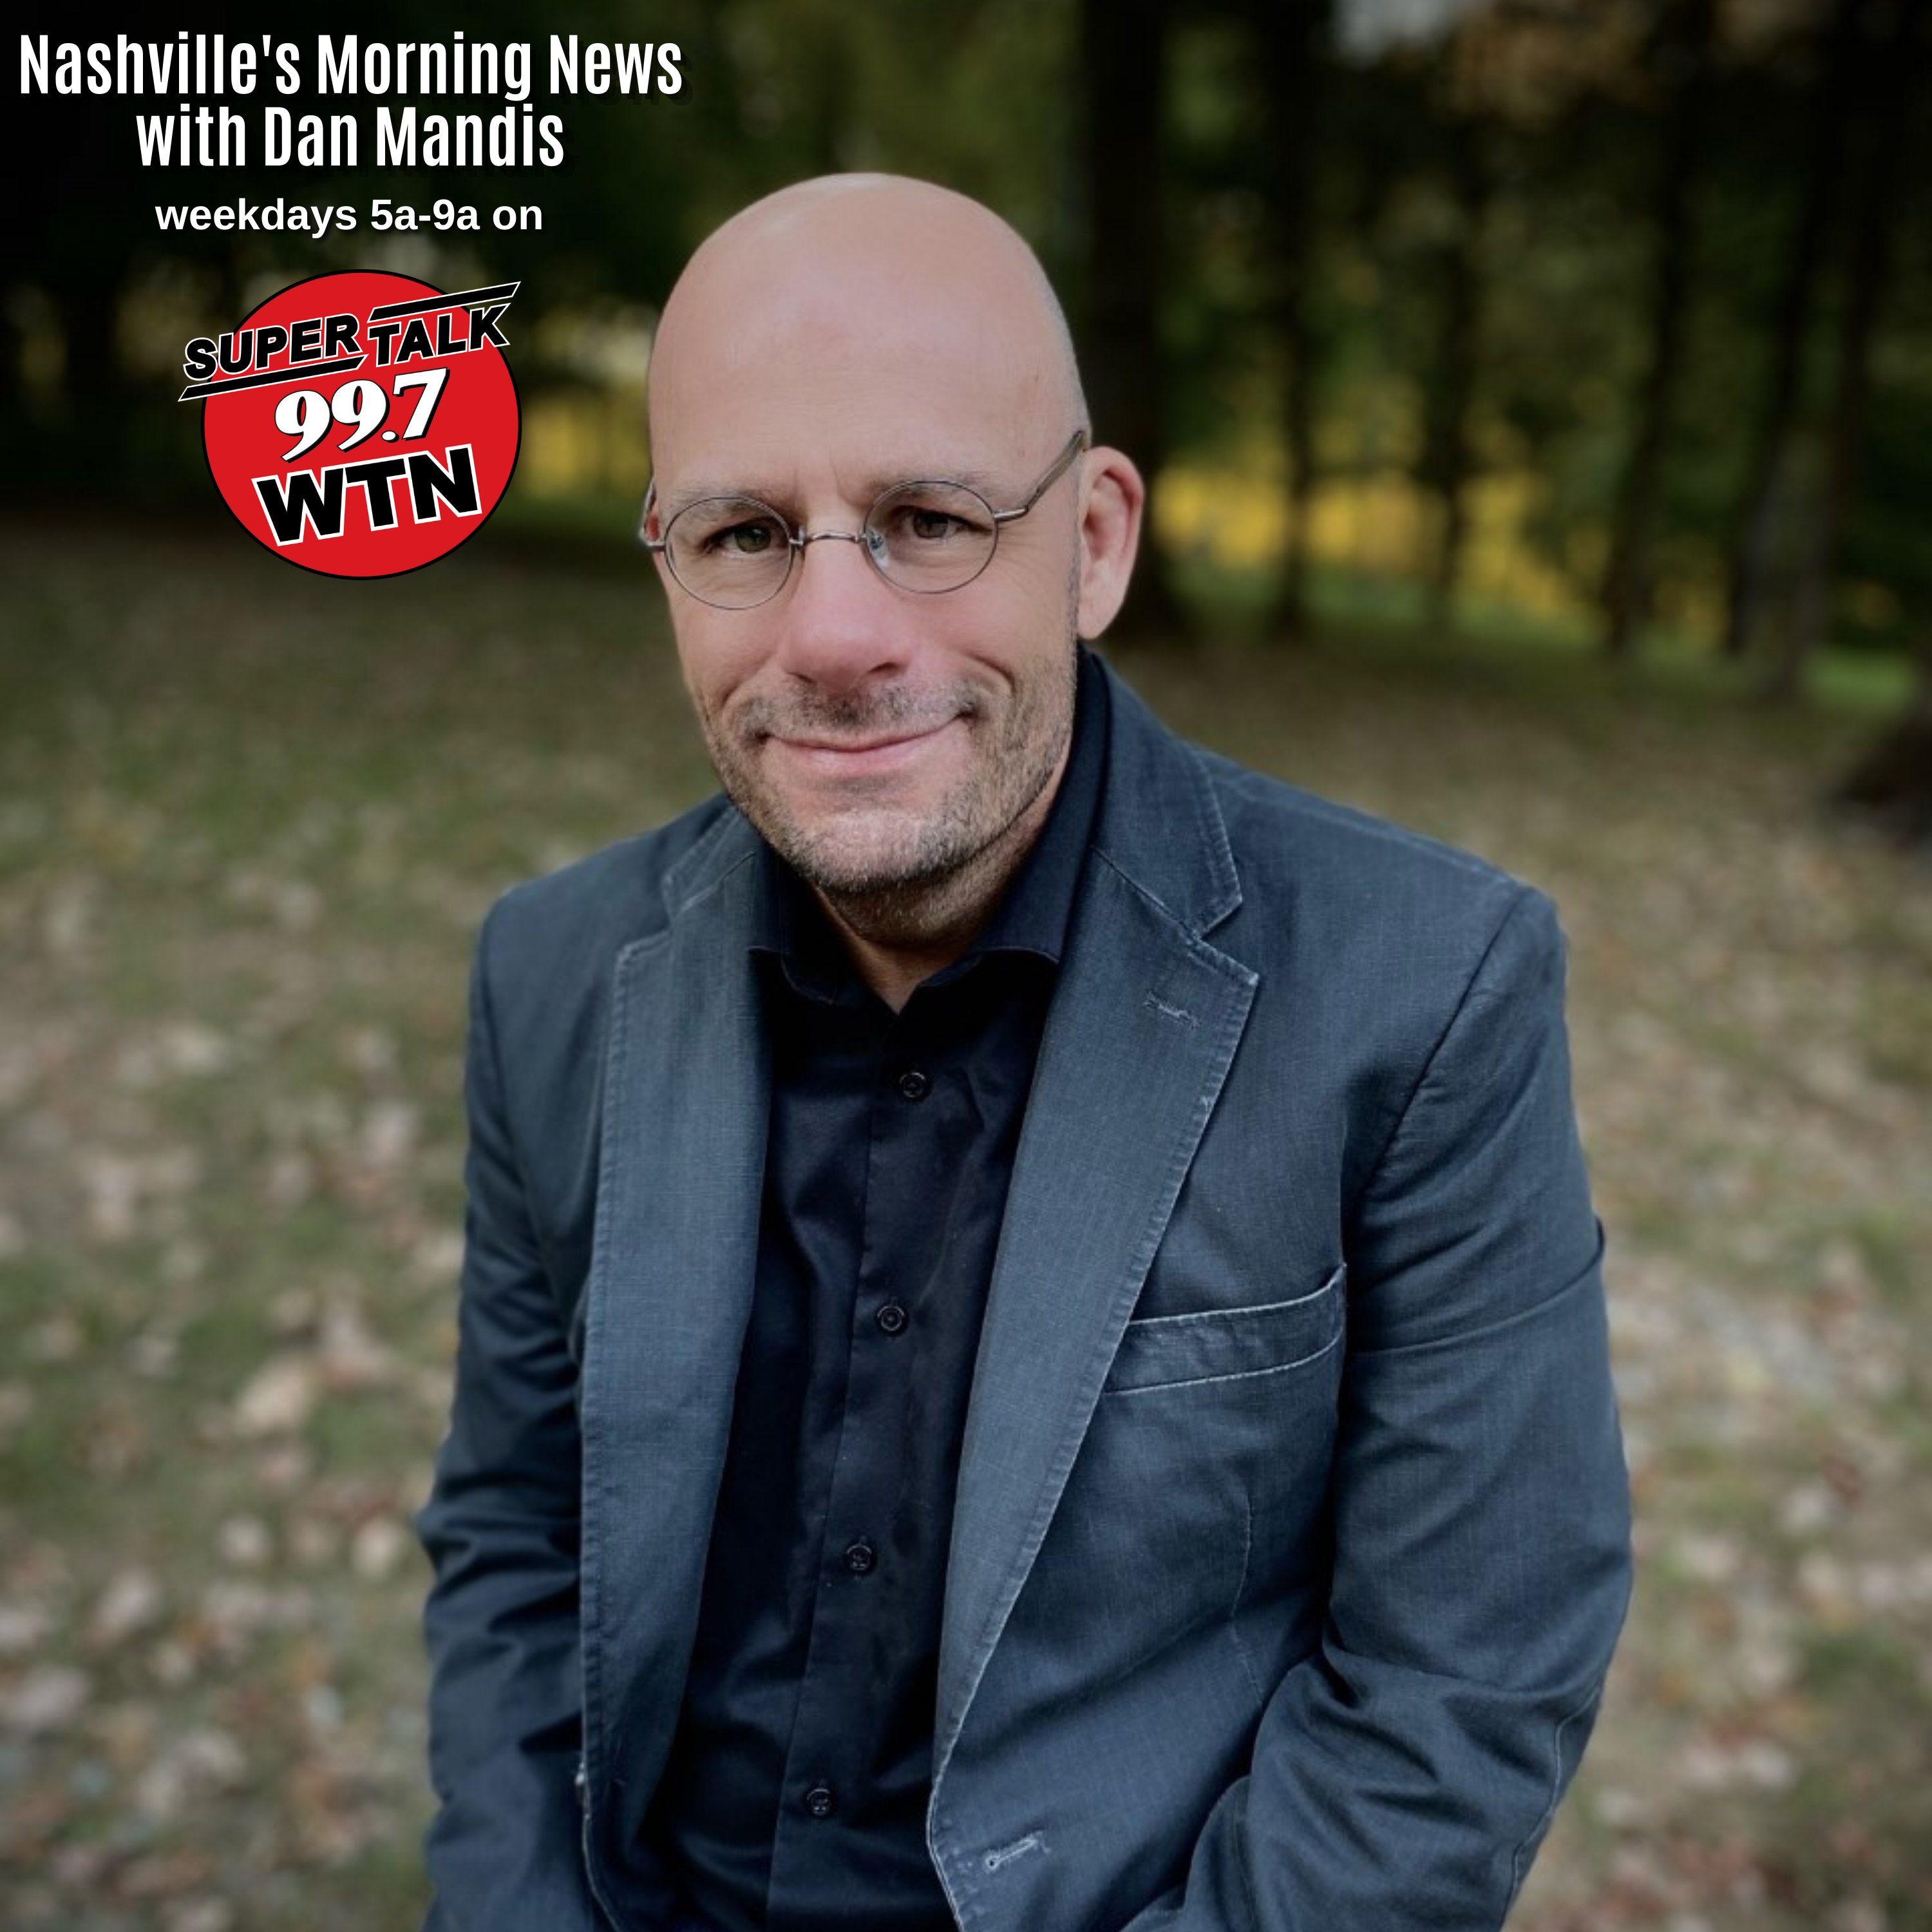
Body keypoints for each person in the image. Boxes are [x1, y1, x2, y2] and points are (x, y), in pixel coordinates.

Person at [417, 174, 1633, 1932]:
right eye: (745, 534)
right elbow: (520, 1548)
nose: (834, 639)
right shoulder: (551, 976)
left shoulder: (1426, 991)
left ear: (1099, 543)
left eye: (928, 518)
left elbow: (1459, 1688)